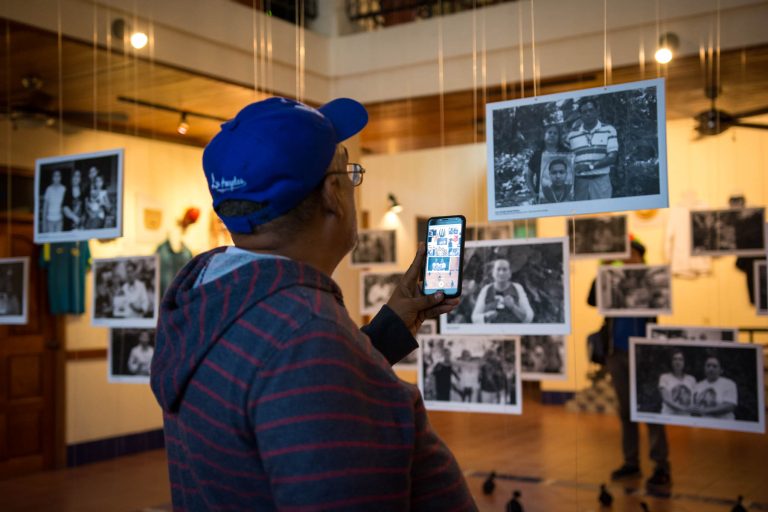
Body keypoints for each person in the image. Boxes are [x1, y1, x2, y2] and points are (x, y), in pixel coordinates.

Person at [149, 97, 476, 510]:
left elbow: (278, 391)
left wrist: (389, 330)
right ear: (332, 194)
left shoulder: (210, 299)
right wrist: (336, 349)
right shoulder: (307, 336)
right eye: (348, 171)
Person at [587, 238, 671, 489]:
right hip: (617, 353)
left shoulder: (651, 279)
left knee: (652, 409)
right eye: (623, 254)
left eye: (631, 254)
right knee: (626, 412)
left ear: (640, 257)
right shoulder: (613, 280)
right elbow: (592, 299)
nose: (626, 259)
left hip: (646, 353)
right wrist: (604, 268)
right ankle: (631, 461)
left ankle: (660, 465)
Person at [566, 99, 618, 200]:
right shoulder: (572, 135)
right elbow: (566, 158)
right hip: (579, 183)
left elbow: (612, 157)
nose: (588, 114)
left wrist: (590, 166)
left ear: (597, 111)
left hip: (601, 181)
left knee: (602, 209)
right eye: (584, 112)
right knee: (581, 210)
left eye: (591, 110)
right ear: (580, 115)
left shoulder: (609, 130)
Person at [472, 259, 534, 323]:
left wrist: (513, 307)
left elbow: (529, 317)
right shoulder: (486, 289)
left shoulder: (517, 288)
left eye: (504, 269)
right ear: (493, 273)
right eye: (498, 269)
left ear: (510, 273)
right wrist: (486, 317)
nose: (501, 273)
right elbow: (475, 317)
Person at [526, 124, 569, 200]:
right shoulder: (537, 155)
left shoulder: (566, 153)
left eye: (555, 133)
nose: (552, 135)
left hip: (565, 198)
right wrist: (533, 192)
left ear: (559, 137)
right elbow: (528, 176)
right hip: (542, 198)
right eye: (549, 132)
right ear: (544, 135)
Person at [691, 355, 738, 419]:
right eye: (708, 366)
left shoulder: (729, 384)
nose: (711, 369)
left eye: (714, 366)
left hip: (723, 424)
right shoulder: (698, 385)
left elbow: (730, 406)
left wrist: (705, 411)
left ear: (721, 370)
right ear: (704, 368)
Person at [658, 349, 696, 415]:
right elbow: (666, 399)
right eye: (674, 359)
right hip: (668, 417)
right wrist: (684, 409)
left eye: (680, 359)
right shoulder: (664, 377)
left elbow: (694, 400)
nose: (677, 362)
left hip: (686, 417)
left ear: (684, 362)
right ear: (671, 362)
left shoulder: (691, 379)